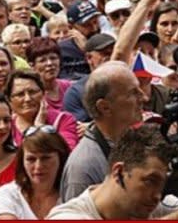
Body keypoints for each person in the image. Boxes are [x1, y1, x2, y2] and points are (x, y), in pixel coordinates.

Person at [47, 125, 178, 220]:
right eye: (150, 181)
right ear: (119, 172)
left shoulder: (150, 208)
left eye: (162, 184)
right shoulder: (66, 216)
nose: (157, 195)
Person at [59, 61, 148, 201]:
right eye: (133, 93)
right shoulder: (84, 167)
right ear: (105, 107)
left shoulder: (133, 142)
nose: (144, 98)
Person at [0, 126, 70, 219]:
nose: (38, 166)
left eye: (46, 158)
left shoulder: (73, 194)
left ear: (61, 158)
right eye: (31, 159)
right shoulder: (7, 195)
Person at [5, 71, 79, 150]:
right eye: (20, 94)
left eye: (32, 92)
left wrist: (40, 128)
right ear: (9, 100)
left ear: (43, 94)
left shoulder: (63, 120)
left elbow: (67, 153)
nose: (27, 99)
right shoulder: (6, 126)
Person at [25, 37, 71, 114]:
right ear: (32, 66)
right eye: (42, 60)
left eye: (53, 58)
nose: (49, 63)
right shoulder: (30, 95)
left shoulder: (70, 87)